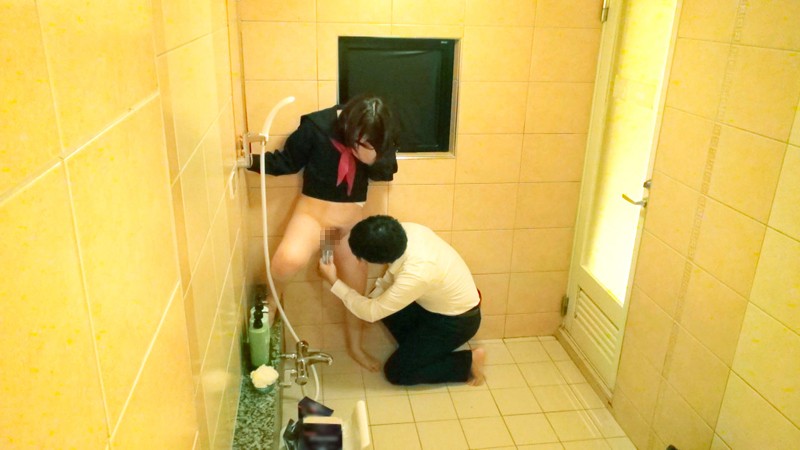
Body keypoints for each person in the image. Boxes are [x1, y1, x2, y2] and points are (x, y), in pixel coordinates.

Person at [248, 94, 399, 371]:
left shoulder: (381, 133)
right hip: (313, 218)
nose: (365, 145)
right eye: (361, 141)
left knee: (356, 288)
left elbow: (386, 172)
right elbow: (286, 162)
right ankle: (272, 299)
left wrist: (372, 158)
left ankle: (355, 347)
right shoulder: (317, 126)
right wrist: (248, 161)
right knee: (286, 261)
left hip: (346, 228)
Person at [317, 215, 486, 386]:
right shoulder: (407, 230)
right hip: (433, 306)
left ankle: (467, 363)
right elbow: (388, 281)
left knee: (397, 372)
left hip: (456, 323)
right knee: (382, 303)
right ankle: (419, 350)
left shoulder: (416, 273)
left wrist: (333, 280)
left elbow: (371, 312)